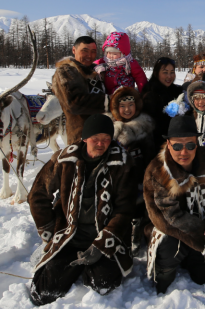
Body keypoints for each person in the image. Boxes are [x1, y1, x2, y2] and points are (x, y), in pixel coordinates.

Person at [28, 114, 136, 305]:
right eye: (95, 139)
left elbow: (124, 210)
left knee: (104, 283)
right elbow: (37, 195)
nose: (101, 144)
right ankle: (64, 261)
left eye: (106, 139)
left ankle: (89, 266)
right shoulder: (64, 159)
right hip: (69, 234)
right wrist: (50, 231)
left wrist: (102, 244)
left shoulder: (121, 163)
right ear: (85, 138)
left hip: (103, 235)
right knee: (45, 291)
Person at [144, 115, 205, 294]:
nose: (183, 152)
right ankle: (165, 268)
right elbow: (168, 215)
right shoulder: (158, 169)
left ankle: (194, 257)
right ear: (169, 144)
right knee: (169, 252)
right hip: (172, 230)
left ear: (197, 143)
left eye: (190, 145)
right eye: (177, 146)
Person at [105, 86, 157, 256]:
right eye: (122, 106)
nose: (127, 110)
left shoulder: (145, 125)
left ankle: (136, 228)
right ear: (115, 107)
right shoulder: (107, 126)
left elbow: (150, 154)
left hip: (138, 173)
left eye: (130, 105)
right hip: (115, 176)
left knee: (137, 203)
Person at [53, 36, 108, 145]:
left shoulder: (97, 71)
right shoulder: (66, 72)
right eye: (85, 51)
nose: (89, 55)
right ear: (74, 50)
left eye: (93, 52)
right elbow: (74, 103)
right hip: (81, 138)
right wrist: (110, 101)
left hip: (104, 135)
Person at [142, 57, 181, 147]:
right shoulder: (150, 94)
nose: (169, 76)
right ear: (156, 73)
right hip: (158, 145)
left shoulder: (177, 91)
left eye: (172, 72)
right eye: (165, 72)